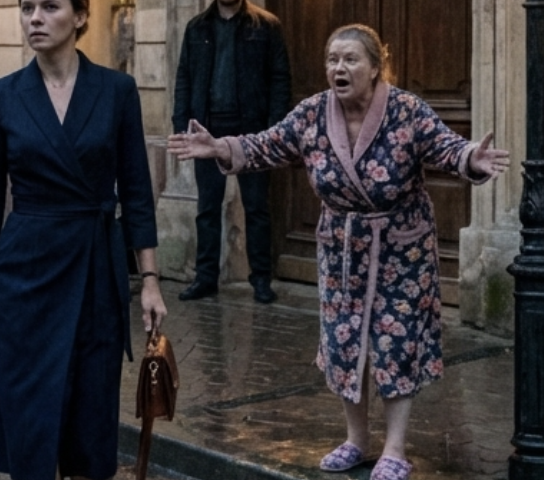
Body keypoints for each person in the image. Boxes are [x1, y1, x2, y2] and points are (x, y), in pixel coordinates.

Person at [167, 24, 509, 480]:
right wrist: (219, 147)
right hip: (341, 249)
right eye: (332, 59)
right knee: (345, 342)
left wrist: (471, 159)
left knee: (395, 343)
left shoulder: (406, 110)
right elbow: (267, 144)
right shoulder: (312, 114)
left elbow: (446, 147)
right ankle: (356, 440)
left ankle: (394, 449)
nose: (338, 68)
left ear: (375, 67)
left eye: (350, 59)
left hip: (401, 248)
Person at [0, 0, 168, 480]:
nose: (35, 18)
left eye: (49, 7)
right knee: (29, 409)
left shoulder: (116, 90)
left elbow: (136, 192)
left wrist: (149, 281)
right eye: (26, 8)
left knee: (90, 411)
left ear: (80, 16)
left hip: (96, 268)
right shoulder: (2, 95)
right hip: (25, 272)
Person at [172, 0, 291, 303]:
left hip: (250, 131)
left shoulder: (266, 26)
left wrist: (275, 129)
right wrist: (182, 125)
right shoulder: (197, 27)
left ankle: (261, 280)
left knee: (257, 208)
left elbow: (280, 79)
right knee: (207, 208)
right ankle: (206, 278)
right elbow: (184, 77)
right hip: (206, 129)